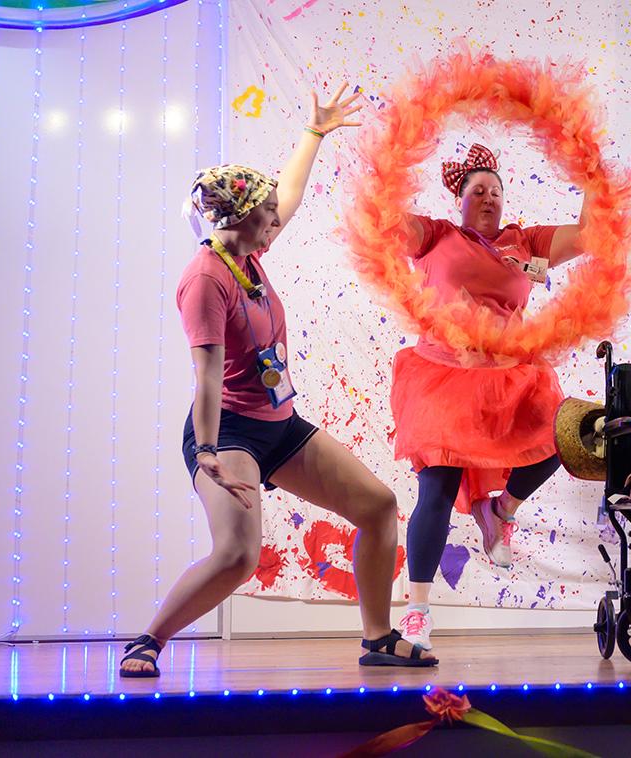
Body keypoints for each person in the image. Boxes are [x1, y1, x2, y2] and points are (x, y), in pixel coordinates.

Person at [120, 85, 436, 677]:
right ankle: (149, 639)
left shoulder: (248, 254)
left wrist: (313, 133)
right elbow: (207, 375)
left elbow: (287, 192)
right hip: (229, 433)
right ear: (239, 217)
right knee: (239, 555)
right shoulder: (207, 280)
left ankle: (378, 638)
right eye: (266, 212)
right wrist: (210, 451)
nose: (276, 219)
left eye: (271, 212)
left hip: (278, 424)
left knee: (378, 506)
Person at [391, 144, 590, 651]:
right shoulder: (437, 234)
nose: (488, 197)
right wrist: (389, 157)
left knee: (560, 439)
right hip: (445, 374)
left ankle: (501, 512)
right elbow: (382, 220)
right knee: (435, 488)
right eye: (477, 190)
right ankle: (416, 611)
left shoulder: (525, 241)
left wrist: (593, 174)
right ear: (459, 199)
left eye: (496, 190)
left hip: (508, 374)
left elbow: (588, 234)